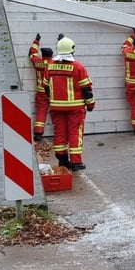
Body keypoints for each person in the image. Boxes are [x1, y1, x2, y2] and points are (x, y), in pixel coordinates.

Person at [46, 35, 95, 171]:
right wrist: (90, 104)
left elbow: (45, 87)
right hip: (75, 107)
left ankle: (62, 160)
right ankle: (76, 162)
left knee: (60, 132)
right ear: (72, 50)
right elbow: (86, 89)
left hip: (56, 107)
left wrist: (53, 100)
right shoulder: (78, 67)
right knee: (75, 133)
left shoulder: (49, 66)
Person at [28, 34, 53, 141]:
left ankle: (38, 133)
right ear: (51, 55)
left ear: (42, 55)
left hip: (41, 92)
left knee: (41, 112)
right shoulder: (55, 64)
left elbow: (32, 53)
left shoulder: (38, 62)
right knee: (58, 113)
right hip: (54, 93)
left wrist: (36, 41)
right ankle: (59, 132)